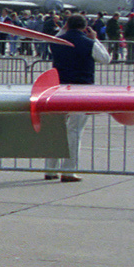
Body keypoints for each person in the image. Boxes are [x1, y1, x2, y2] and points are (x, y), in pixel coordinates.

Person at [45, 14, 112, 183]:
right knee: (74, 131)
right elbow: (105, 59)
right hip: (80, 91)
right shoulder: (88, 43)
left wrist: (63, 29)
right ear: (85, 27)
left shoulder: (58, 41)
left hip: (58, 89)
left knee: (55, 129)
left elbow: (53, 42)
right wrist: (95, 39)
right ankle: (69, 170)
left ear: (67, 25)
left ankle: (49, 168)